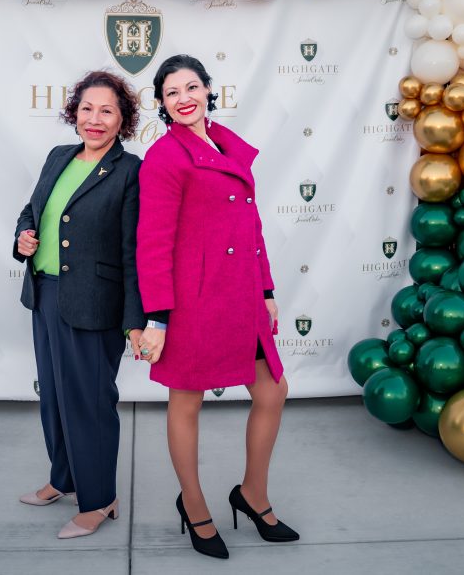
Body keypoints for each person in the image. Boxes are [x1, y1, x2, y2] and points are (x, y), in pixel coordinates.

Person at [135, 54, 299, 559]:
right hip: (192, 301)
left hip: (242, 295)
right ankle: (195, 503)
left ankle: (252, 494)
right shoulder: (165, 157)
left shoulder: (227, 145)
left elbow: (251, 229)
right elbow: (153, 243)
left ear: (209, 90)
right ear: (162, 105)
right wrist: (156, 317)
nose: (183, 98)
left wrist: (267, 291)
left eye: (191, 87)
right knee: (186, 402)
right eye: (171, 93)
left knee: (272, 391)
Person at [13, 70, 144, 539]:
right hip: (45, 294)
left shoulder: (130, 171)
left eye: (107, 110)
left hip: (95, 305)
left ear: (122, 119)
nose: (95, 118)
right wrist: (23, 238)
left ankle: (99, 498)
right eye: (87, 108)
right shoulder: (57, 157)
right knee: (53, 397)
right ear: (74, 113)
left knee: (89, 403)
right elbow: (33, 210)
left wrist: (136, 322)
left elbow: (134, 252)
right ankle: (63, 479)